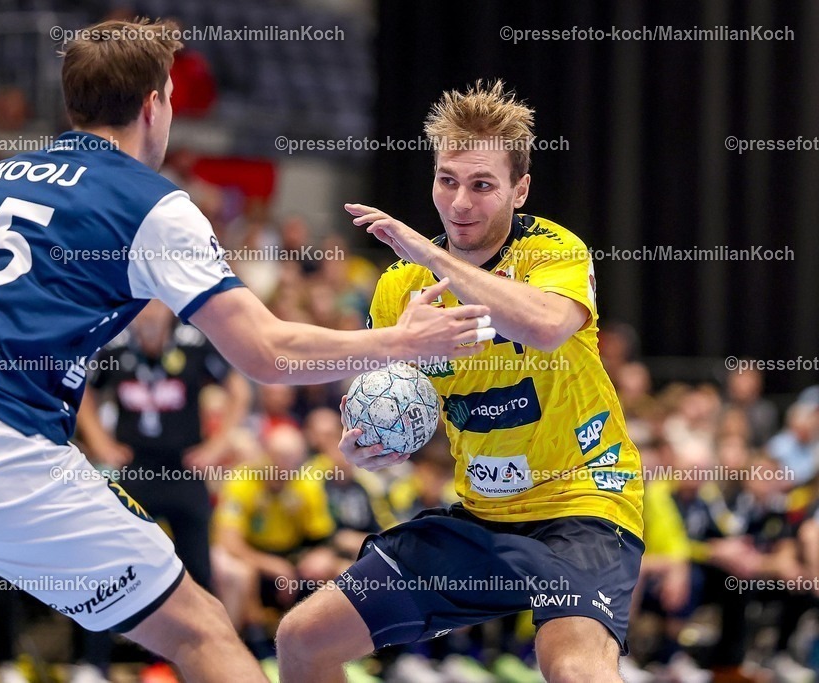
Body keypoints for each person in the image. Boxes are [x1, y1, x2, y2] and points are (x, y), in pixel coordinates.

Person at [0, 18, 490, 683]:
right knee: (200, 626)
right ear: (155, 105)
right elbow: (263, 350)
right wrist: (403, 341)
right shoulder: (148, 200)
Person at [276, 80, 645, 683]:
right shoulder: (399, 289)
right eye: (447, 180)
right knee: (302, 640)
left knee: (576, 671)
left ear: (519, 190)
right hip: (483, 515)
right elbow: (386, 399)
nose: (460, 203)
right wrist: (362, 443)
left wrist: (432, 255)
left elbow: (548, 326)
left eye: (482, 185)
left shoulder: (554, 253)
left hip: (582, 503)